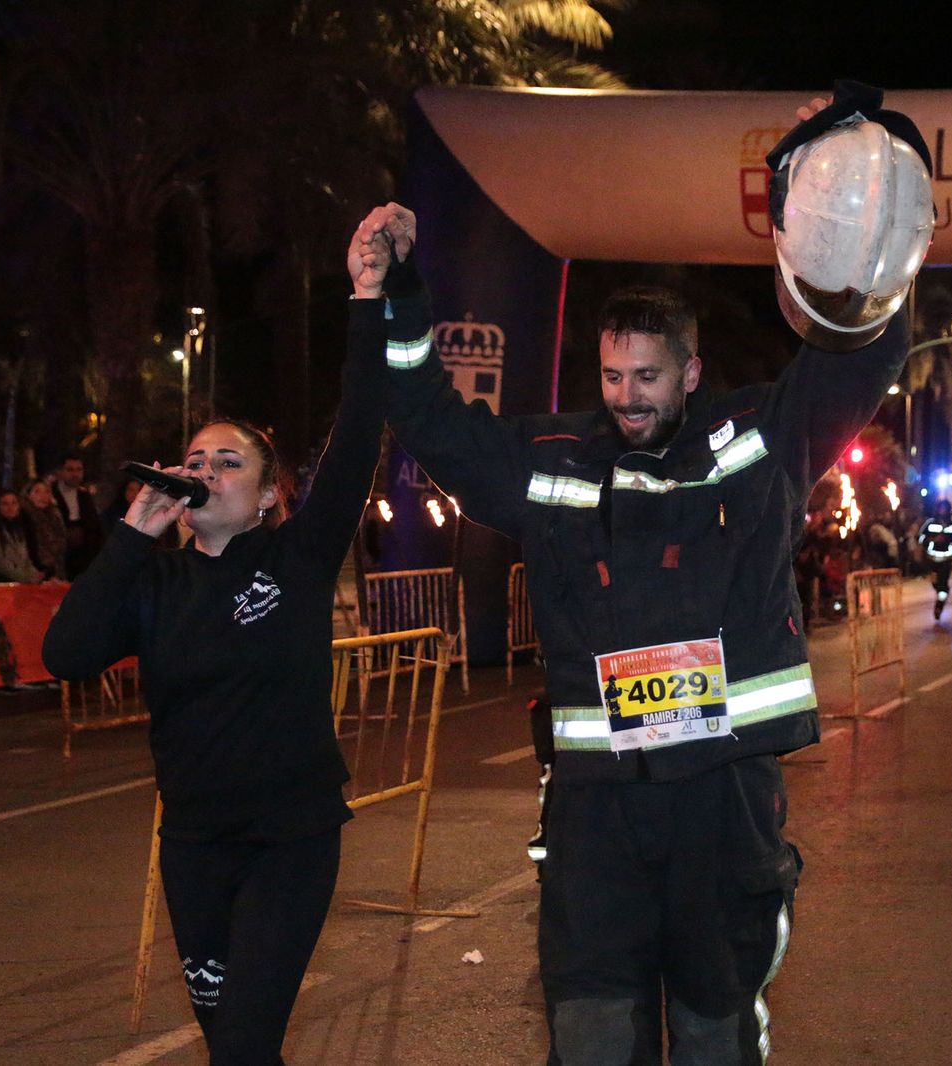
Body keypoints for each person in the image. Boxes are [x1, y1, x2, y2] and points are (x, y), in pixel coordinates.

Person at [373, 142, 917, 1058]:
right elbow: (430, 421)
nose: (627, 398)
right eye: (614, 377)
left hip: (723, 806)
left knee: (713, 1028)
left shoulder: (756, 444)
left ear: (691, 373)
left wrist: (849, 196)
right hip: (596, 816)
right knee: (589, 1030)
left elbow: (856, 363)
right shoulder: (553, 457)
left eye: (649, 378)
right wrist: (403, 297)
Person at [42, 208, 391, 1065]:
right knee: (233, 1049)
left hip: (290, 841)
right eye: (195, 460)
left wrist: (367, 298)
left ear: (271, 493)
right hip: (195, 846)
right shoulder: (154, 576)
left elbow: (358, 434)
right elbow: (66, 654)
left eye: (228, 461)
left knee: (242, 1042)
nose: (204, 472)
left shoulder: (298, 556)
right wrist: (133, 533)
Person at [52, 453, 105, 577]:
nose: (75, 474)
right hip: (62, 558)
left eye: (78, 470)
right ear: (60, 471)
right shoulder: (51, 495)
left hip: (84, 558)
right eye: (70, 470)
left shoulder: (84, 496)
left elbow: (95, 527)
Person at [0, 490, 45, 584]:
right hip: (1, 584)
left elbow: (25, 559)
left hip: (21, 583)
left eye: (14, 503)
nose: (11, 507)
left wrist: (35, 574)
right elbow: (0, 563)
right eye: (5, 504)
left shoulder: (18, 530)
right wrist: (26, 578)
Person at [918, 498, 952, 619]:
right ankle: (940, 595)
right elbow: (920, 537)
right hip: (932, 560)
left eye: (945, 508)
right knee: (935, 583)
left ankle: (939, 605)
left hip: (947, 560)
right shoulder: (930, 523)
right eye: (941, 508)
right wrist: (932, 540)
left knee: (943, 585)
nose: (943, 510)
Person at [21, 478, 68, 580]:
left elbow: (62, 539)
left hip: (58, 568)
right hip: (37, 571)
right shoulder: (25, 517)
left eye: (46, 491)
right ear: (28, 495)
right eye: (37, 491)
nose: (43, 496)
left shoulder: (55, 515)